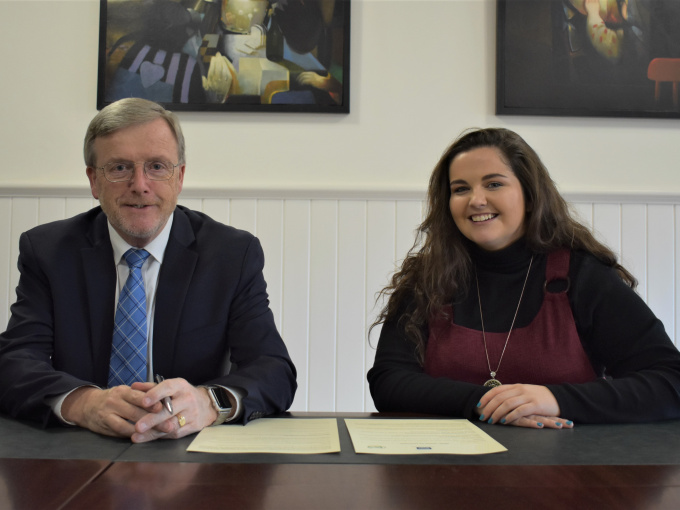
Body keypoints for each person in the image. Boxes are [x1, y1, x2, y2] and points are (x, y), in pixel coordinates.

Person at [0, 97, 296, 442]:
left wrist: (209, 402)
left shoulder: (231, 254)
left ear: (180, 177)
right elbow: (15, 362)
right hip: (79, 447)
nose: (140, 184)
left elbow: (273, 369)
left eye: (157, 166)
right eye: (120, 168)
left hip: (190, 451)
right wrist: (85, 404)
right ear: (94, 181)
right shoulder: (48, 251)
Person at [367, 127, 680, 429]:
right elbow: (389, 381)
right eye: (461, 189)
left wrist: (553, 398)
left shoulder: (584, 276)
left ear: (530, 196)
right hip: (442, 470)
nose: (476, 199)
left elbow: (670, 381)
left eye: (493, 184)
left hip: (567, 474)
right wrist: (487, 402)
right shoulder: (426, 279)